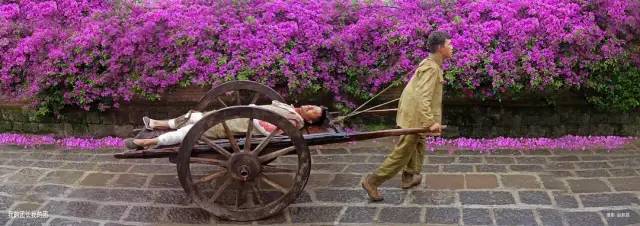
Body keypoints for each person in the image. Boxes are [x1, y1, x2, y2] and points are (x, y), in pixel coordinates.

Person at [361, 31, 453, 201]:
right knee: (404, 150)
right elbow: (422, 96)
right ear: (440, 48)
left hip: (414, 112)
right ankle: (372, 181)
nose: (452, 47)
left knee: (419, 142)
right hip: (415, 115)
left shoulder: (432, 64)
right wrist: (430, 121)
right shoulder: (431, 68)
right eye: (449, 44)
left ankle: (409, 177)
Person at [124, 100, 327, 149]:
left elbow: (269, 128)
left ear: (309, 120)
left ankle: (152, 141)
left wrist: (252, 113)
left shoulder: (294, 121)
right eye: (312, 106)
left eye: (313, 111)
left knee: (192, 131)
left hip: (240, 124)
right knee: (195, 115)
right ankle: (158, 124)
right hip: (239, 116)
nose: (309, 107)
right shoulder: (291, 109)